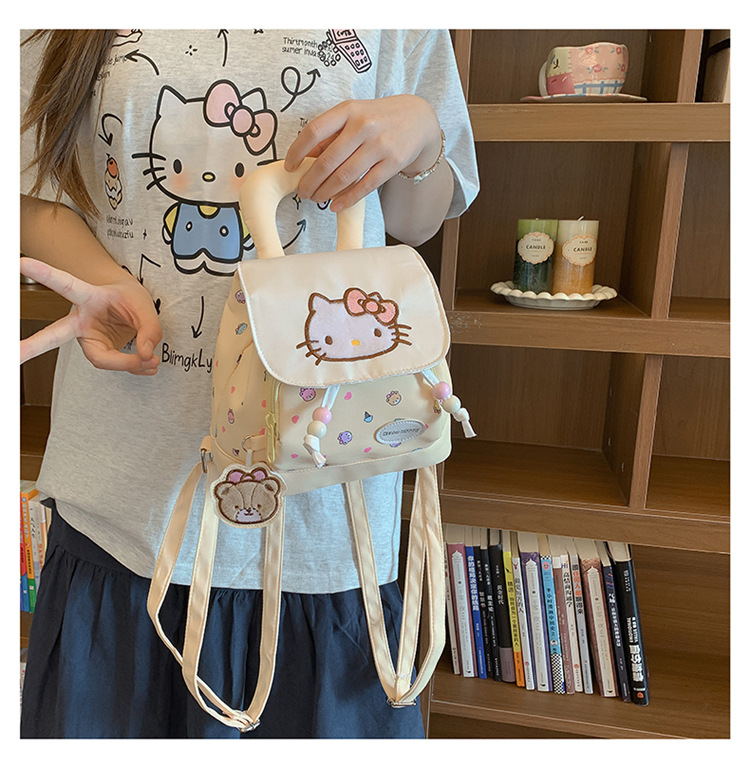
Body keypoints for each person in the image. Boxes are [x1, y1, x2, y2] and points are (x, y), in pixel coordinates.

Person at [20, 29, 479, 738]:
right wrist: (106, 282)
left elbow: (418, 220)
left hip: (327, 517)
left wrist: (419, 133)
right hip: (125, 507)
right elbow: (30, 188)